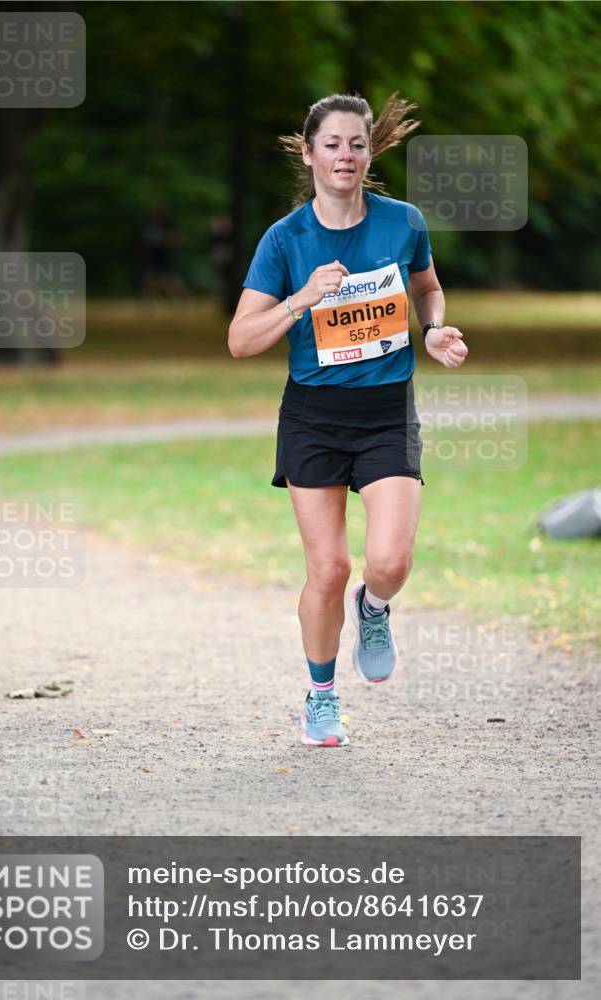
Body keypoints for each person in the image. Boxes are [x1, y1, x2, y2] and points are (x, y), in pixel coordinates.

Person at [228, 93, 468, 747]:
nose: (344, 156)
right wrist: (301, 299)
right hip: (313, 415)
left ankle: (375, 607)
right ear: (307, 153)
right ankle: (321, 696)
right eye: (331, 144)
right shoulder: (284, 240)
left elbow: (426, 288)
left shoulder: (402, 223)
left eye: (356, 144)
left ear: (370, 152)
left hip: (386, 412)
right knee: (327, 569)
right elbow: (240, 340)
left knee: (387, 561)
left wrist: (435, 330)